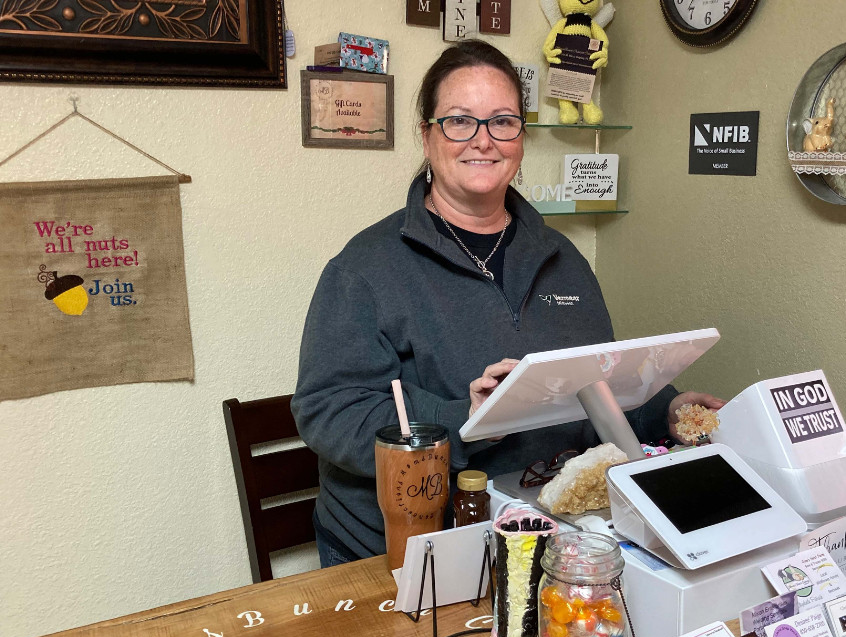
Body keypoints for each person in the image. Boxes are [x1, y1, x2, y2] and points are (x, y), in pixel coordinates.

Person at [292, 40, 724, 568]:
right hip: (403, 551)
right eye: (459, 121)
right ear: (427, 137)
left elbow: (598, 378)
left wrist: (669, 409)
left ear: (520, 138)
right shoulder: (364, 269)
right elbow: (329, 412)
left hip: (549, 537)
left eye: (503, 121)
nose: (484, 140)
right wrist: (466, 419)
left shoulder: (562, 258)